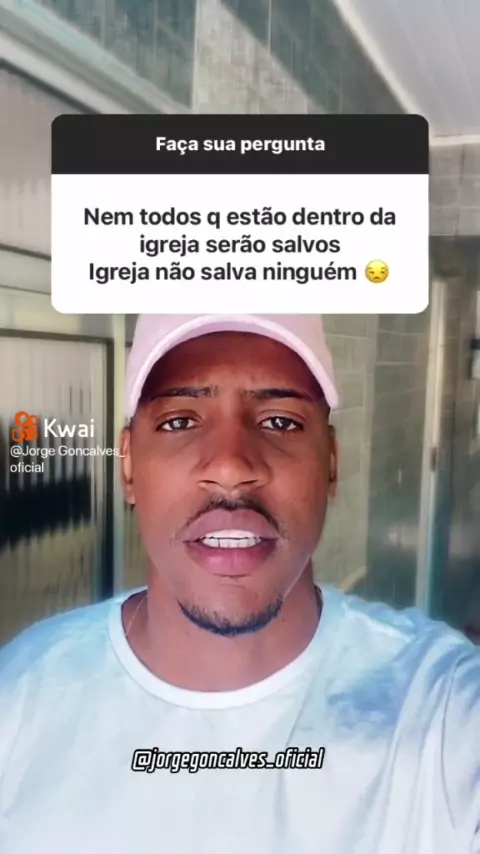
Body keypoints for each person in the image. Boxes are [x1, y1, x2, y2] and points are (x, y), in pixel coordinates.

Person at [0, 313, 479, 854]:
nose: (230, 467)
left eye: (280, 422)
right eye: (181, 421)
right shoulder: (19, 696)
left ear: (331, 464)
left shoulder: (444, 712)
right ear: (128, 466)